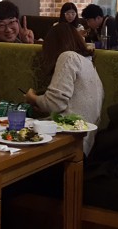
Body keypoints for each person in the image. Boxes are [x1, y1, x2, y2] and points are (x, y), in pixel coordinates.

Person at [25, 22, 104, 155]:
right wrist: (42, 105)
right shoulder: (89, 64)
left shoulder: (68, 57)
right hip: (83, 145)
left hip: (68, 143)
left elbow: (54, 104)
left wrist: (32, 97)